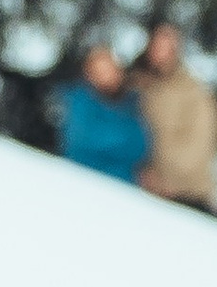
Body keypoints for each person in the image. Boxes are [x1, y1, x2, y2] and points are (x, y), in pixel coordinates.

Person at [135, 18, 217, 211]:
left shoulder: (196, 95)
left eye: (167, 43)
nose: (160, 50)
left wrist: (163, 178)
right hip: (141, 186)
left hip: (187, 195)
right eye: (156, 42)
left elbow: (198, 147)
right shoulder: (136, 85)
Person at [61, 40, 150, 185]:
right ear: (89, 74)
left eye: (109, 69)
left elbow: (141, 146)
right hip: (86, 182)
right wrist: (122, 138)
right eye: (100, 71)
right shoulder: (80, 102)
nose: (106, 76)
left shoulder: (131, 104)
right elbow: (85, 141)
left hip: (126, 186)